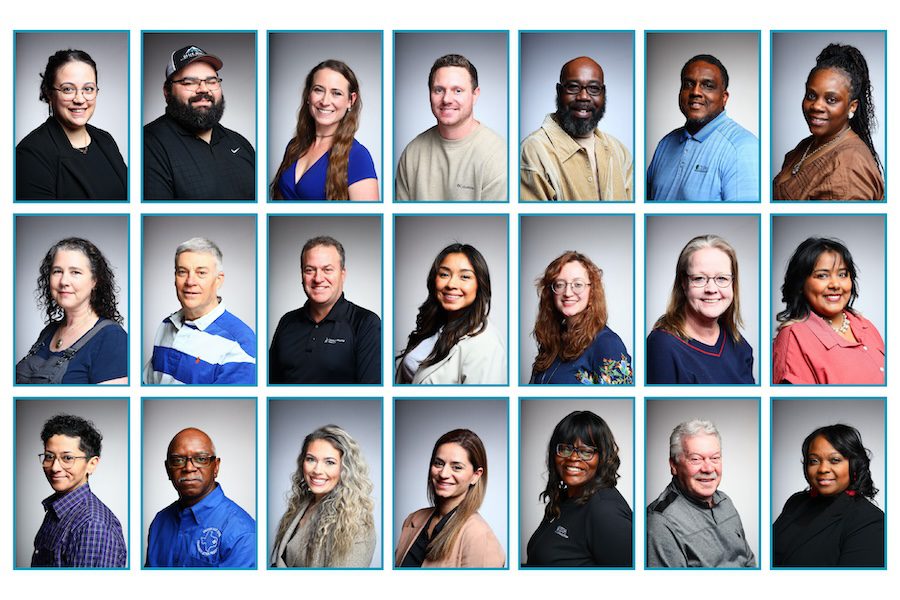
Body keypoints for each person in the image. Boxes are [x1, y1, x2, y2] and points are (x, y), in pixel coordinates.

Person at [773, 44, 883, 200]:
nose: (816, 106)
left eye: (831, 99)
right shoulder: (808, 145)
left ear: (852, 107)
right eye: (811, 95)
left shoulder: (849, 170)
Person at [144, 45, 255, 200]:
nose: (203, 89)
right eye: (189, 82)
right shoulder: (148, 145)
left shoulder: (240, 144)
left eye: (211, 81)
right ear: (167, 92)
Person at [16, 49, 127, 200]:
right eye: (68, 89)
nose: (80, 99)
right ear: (49, 93)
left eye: (88, 89)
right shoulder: (30, 154)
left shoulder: (105, 140)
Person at [525, 411, 632, 567]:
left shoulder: (606, 512)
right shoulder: (565, 498)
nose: (573, 458)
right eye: (565, 449)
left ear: (602, 457)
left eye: (586, 451)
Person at [143, 237, 256, 384]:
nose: (190, 282)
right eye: (182, 272)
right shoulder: (166, 325)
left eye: (201, 273)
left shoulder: (240, 345)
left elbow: (218, 407)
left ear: (219, 280)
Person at [269, 236, 381, 384]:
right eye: (309, 270)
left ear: (342, 274)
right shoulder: (287, 321)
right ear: (301, 274)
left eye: (327, 269)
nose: (318, 278)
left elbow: (371, 393)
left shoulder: (366, 323)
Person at [647, 54, 758, 201]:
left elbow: (743, 220)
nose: (695, 92)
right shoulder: (665, 144)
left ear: (724, 98)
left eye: (708, 85)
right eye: (688, 84)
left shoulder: (742, 148)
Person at [772, 237, 884, 384]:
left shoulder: (865, 325)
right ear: (800, 284)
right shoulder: (793, 338)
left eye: (842, 274)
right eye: (822, 275)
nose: (835, 284)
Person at [395, 54, 506, 201]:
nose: (446, 99)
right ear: (430, 94)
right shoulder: (412, 153)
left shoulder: (498, 156)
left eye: (457, 90)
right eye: (439, 90)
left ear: (475, 95)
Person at [16, 237, 127, 384]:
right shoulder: (49, 331)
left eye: (75, 272)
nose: (63, 281)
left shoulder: (112, 337)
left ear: (95, 281)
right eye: (57, 271)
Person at [647, 419, 755, 568]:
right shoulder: (662, 522)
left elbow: (748, 559)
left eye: (715, 458)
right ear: (674, 466)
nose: (708, 468)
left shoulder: (725, 501)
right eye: (696, 459)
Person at [520, 56, 632, 201]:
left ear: (603, 93)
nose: (584, 96)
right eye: (573, 87)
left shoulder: (619, 151)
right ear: (559, 91)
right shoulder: (533, 151)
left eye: (593, 88)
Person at [647, 234, 754, 384]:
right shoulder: (663, 345)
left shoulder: (740, 346)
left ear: (733, 284)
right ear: (684, 283)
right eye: (699, 278)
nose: (711, 289)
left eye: (722, 278)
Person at [773, 424, 884, 567]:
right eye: (814, 461)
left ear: (854, 465)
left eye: (835, 460)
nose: (823, 469)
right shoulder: (796, 502)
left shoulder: (870, 520)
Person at [145, 427, 256, 568]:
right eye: (178, 460)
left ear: (216, 467)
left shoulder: (243, 533)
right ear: (168, 469)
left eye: (201, 459)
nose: (189, 467)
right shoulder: (159, 522)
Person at [396, 243, 506, 384]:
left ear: (480, 284)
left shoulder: (486, 345)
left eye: (465, 276)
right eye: (444, 274)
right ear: (434, 280)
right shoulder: (436, 326)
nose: (451, 284)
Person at [395, 429, 504, 567]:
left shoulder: (479, 537)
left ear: (476, 475)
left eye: (457, 467)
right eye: (439, 463)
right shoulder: (413, 519)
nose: (444, 474)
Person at [271, 60, 378, 200]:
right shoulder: (294, 146)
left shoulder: (358, 156)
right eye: (318, 90)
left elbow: (366, 220)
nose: (325, 101)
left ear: (351, 100)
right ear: (308, 95)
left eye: (336, 93)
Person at [271, 425, 376, 567]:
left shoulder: (356, 524)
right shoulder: (301, 505)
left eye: (330, 462)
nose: (317, 470)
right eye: (311, 459)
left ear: (346, 469)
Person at [32, 414, 126, 567]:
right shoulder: (57, 509)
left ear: (92, 464)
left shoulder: (93, 525)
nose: (55, 467)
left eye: (67, 458)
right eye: (49, 456)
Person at [530, 251, 632, 385]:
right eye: (560, 284)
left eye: (578, 284)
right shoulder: (553, 341)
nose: (567, 293)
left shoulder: (607, 344)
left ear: (592, 291)